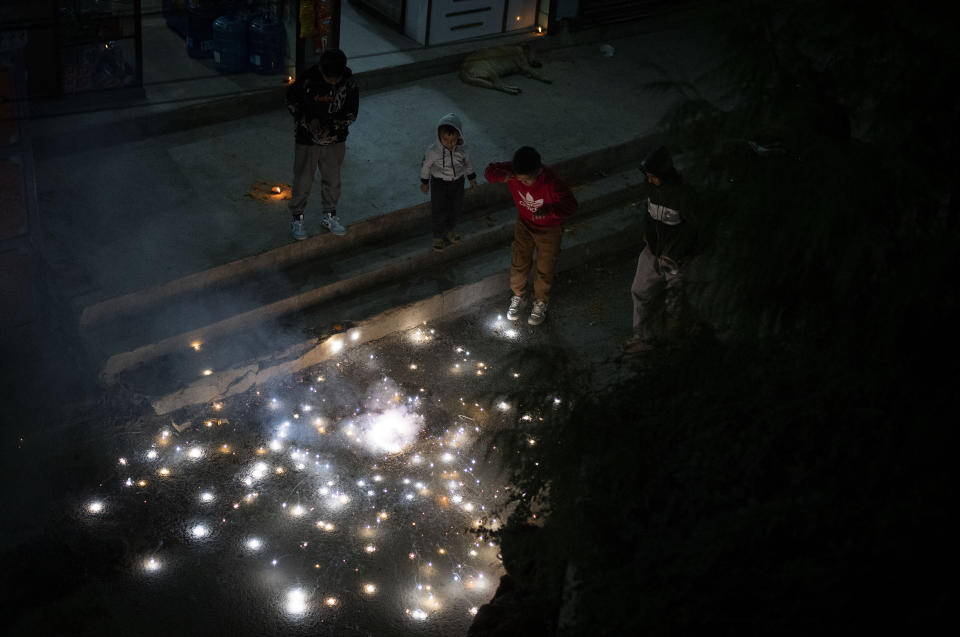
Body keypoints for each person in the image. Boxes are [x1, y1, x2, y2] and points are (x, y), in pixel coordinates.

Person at [485, 147, 578, 326]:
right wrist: (502, 176)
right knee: (519, 262)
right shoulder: (513, 172)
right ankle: (519, 296)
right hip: (525, 224)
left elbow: (571, 205)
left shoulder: (552, 183)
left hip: (549, 230)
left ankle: (540, 301)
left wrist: (550, 210)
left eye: (528, 179)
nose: (524, 183)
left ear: (539, 170)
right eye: (521, 179)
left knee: (545, 267)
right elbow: (489, 173)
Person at [625, 145, 697, 353]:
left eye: (652, 176)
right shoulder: (652, 188)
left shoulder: (683, 195)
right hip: (654, 250)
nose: (649, 180)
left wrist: (686, 253)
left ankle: (676, 342)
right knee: (639, 290)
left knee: (674, 300)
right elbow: (649, 213)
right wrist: (647, 234)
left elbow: (698, 226)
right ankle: (643, 337)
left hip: (676, 257)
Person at [285, 48, 359, 240]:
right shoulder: (308, 80)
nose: (333, 82)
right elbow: (292, 101)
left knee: (333, 179)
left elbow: (351, 113)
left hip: (335, 141)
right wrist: (307, 120)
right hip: (307, 140)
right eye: (329, 78)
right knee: (303, 179)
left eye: (337, 78)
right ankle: (297, 217)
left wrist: (333, 127)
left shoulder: (349, 84)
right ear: (321, 69)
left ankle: (329, 215)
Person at [420, 113, 477, 251]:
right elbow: (426, 166)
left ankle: (451, 231)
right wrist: (425, 182)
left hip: (457, 182)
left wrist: (472, 178)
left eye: (453, 140)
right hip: (439, 182)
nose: (449, 143)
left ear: (459, 136)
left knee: (455, 207)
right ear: (439, 137)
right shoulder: (433, 151)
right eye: (445, 139)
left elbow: (468, 163)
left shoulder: (463, 149)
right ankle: (438, 236)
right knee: (439, 208)